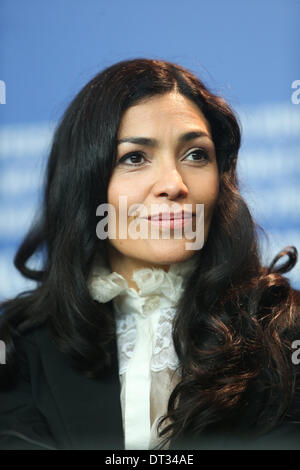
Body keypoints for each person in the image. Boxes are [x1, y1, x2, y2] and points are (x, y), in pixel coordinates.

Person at [0, 58, 299, 450]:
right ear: (85, 184)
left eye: (196, 155)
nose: (174, 185)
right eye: (135, 158)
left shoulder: (284, 333)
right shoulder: (21, 350)